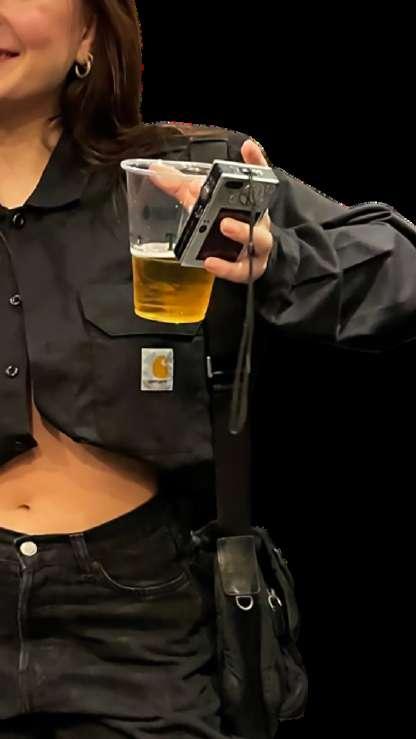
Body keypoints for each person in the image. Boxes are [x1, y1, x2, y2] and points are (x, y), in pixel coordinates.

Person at [1, 1, 415, 737]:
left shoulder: (181, 181)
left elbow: (401, 277)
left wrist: (282, 264)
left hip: (133, 625)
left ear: (90, 30)